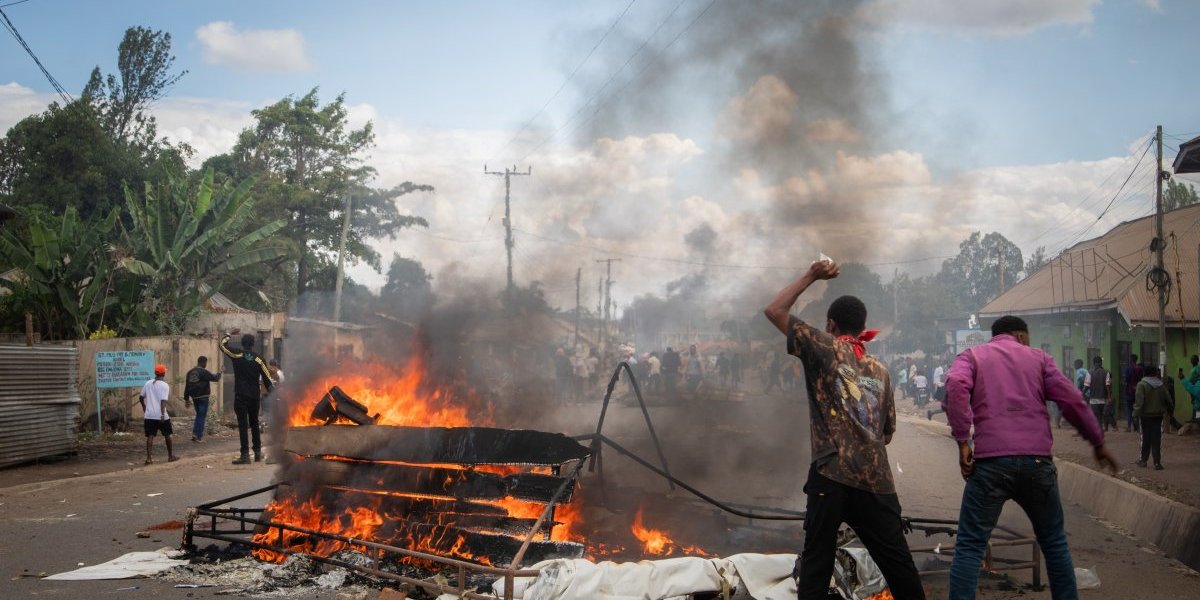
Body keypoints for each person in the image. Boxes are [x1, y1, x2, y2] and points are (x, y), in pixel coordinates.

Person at [764, 260, 926, 600]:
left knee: (817, 563)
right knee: (898, 564)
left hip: (832, 474)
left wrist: (812, 275)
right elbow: (886, 433)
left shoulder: (823, 347)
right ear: (862, 326)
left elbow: (774, 309)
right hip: (876, 480)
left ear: (831, 324)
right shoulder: (879, 369)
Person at [944, 316, 1117, 600]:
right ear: (1021, 336)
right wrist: (1097, 441)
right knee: (1054, 543)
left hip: (990, 465)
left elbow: (954, 385)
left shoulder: (972, 356)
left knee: (970, 546)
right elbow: (1071, 400)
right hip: (1038, 464)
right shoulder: (1040, 359)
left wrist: (963, 440)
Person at [220, 329, 274, 464]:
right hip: (254, 397)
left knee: (243, 425)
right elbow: (267, 379)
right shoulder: (258, 359)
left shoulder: (237, 354)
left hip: (241, 396)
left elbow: (222, 346)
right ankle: (257, 453)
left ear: (243, 344)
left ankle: (245, 456)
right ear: (253, 344)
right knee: (255, 423)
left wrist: (228, 335)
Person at [139, 364, 179, 465]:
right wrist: (162, 415)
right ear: (164, 373)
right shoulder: (164, 385)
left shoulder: (148, 383)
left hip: (149, 415)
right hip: (161, 415)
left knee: (150, 436)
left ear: (155, 373)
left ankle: (149, 459)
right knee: (167, 435)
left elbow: (140, 397)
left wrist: (144, 407)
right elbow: (163, 401)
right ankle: (170, 456)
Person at [1133, 365, 1168, 470]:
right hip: (1158, 416)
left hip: (1145, 417)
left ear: (1145, 373)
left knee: (1146, 439)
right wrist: (1170, 410)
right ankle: (1157, 463)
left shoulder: (1141, 384)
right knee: (1157, 440)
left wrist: (1135, 415)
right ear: (1155, 373)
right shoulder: (1161, 385)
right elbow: (1169, 400)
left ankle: (1143, 461)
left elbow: (1139, 402)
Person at [183, 356, 221, 442]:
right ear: (203, 362)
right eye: (205, 363)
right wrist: (220, 372)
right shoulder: (203, 372)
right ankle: (197, 436)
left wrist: (186, 399)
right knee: (201, 416)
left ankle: (195, 434)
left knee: (199, 415)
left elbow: (187, 386)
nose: (205, 365)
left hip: (195, 398)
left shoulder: (190, 372)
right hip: (203, 397)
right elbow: (215, 378)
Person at [1087, 356, 1112, 431]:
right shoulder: (1106, 372)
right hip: (1103, 399)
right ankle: (1101, 430)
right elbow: (1108, 385)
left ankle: (1099, 431)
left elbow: (1086, 386)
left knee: (1096, 417)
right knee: (1101, 416)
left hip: (1093, 399)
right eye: (1101, 362)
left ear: (1094, 363)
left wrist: (1082, 394)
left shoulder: (1089, 372)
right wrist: (1109, 397)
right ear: (1100, 363)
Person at [1121, 354, 1144, 433]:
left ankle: (1129, 427)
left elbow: (1126, 380)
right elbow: (1141, 379)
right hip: (1138, 391)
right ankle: (1137, 427)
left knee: (1129, 409)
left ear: (1131, 359)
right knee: (1138, 409)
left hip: (1130, 391)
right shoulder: (1140, 369)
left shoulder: (1128, 369)